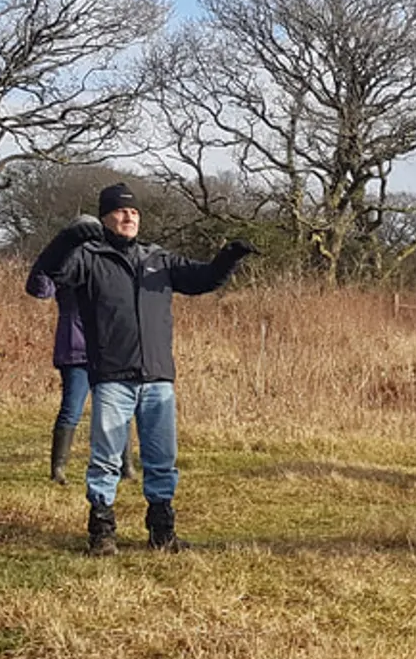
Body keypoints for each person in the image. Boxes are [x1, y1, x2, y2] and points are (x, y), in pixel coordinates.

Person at [34, 183, 254, 556]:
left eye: (134, 212)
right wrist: (68, 238)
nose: (128, 217)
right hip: (112, 377)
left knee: (161, 458)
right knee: (105, 458)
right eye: (120, 212)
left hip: (158, 378)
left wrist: (227, 259)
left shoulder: (158, 259)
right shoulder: (88, 258)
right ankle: (102, 531)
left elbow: (203, 280)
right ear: (104, 217)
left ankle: (161, 531)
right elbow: (47, 273)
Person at [25, 229, 93, 486]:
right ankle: (58, 469)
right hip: (75, 348)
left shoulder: (104, 262)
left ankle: (125, 465)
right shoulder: (64, 264)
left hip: (108, 348)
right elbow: (40, 288)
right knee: (71, 408)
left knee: (116, 411)